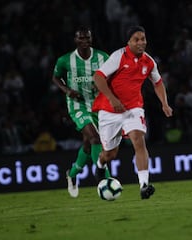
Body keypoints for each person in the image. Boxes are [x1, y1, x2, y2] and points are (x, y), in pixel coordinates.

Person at [92, 25, 173, 199]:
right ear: (128, 41)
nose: (140, 42)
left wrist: (164, 104)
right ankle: (100, 165)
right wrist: (113, 99)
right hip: (109, 110)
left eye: (143, 39)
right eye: (136, 39)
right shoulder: (118, 56)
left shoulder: (149, 62)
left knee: (138, 139)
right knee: (110, 154)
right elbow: (98, 77)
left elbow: (157, 83)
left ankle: (144, 186)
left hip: (133, 108)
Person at [52, 26, 110, 198]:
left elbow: (113, 74)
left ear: (91, 39)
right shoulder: (65, 60)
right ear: (75, 40)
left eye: (87, 38)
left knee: (88, 143)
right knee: (95, 138)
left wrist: (101, 83)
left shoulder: (102, 57)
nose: (84, 41)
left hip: (98, 105)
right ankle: (104, 180)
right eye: (81, 38)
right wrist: (67, 90)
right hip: (78, 105)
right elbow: (55, 77)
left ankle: (72, 174)